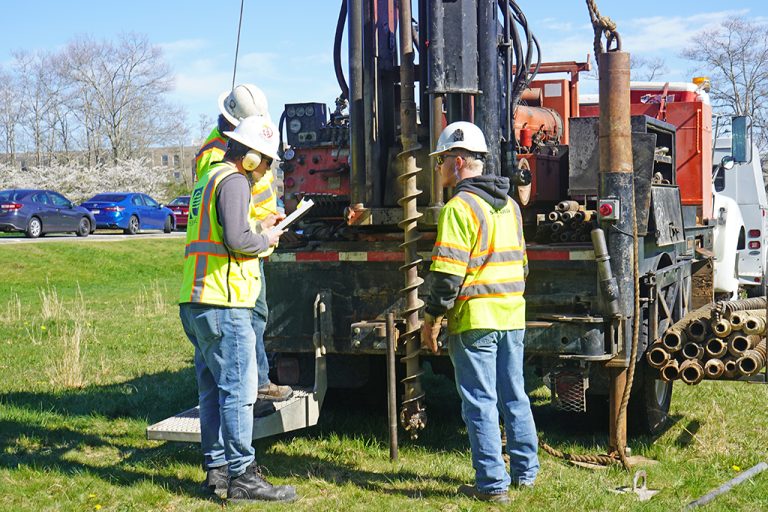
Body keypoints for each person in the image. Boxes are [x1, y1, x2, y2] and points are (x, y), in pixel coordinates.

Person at [420, 121, 539, 503]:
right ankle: (526, 472)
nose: (438, 169)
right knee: (515, 395)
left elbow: (447, 275)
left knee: (480, 401)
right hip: (512, 315)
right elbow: (521, 266)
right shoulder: (509, 207)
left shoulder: (458, 208)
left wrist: (432, 320)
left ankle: (491, 485)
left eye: (440, 161)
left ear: (457, 162)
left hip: (475, 321)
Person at [179, 116, 297, 503]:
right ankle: (244, 475)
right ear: (247, 157)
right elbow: (236, 239)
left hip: (198, 300)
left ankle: (217, 472)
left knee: (212, 391)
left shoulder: (207, 179)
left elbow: (221, 229)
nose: (266, 170)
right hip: (224, 303)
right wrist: (266, 237)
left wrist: (257, 222)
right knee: (239, 392)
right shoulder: (233, 181)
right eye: (264, 161)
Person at [195, 83, 293, 404]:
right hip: (239, 253)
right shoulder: (217, 158)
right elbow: (232, 215)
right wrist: (259, 234)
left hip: (256, 243)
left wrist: (270, 221)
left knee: (257, 315)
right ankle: (258, 385)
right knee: (250, 318)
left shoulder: (240, 151)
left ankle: (255, 382)